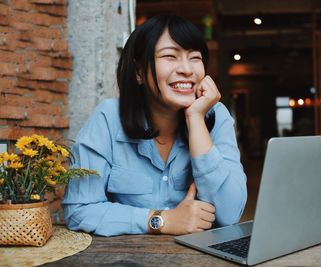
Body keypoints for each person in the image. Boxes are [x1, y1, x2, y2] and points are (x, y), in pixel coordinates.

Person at [62, 15, 247, 236]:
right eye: (170, 56)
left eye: (194, 58)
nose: (187, 69)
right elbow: (79, 210)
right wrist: (161, 220)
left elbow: (230, 214)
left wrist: (196, 120)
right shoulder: (108, 118)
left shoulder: (216, 116)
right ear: (139, 71)